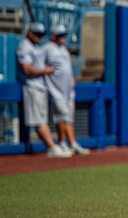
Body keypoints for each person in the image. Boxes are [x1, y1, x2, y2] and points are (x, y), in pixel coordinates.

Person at [15, 22, 68, 157]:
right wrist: (45, 71)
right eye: (37, 34)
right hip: (32, 86)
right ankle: (52, 147)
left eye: (41, 35)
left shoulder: (37, 47)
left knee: (43, 120)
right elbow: (26, 68)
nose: (39, 37)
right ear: (30, 33)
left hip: (41, 87)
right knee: (38, 121)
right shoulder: (24, 46)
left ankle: (53, 146)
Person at [41, 24, 90, 155]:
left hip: (68, 91)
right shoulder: (47, 49)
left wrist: (72, 79)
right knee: (61, 117)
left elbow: (67, 68)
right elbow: (39, 65)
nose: (63, 38)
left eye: (64, 35)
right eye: (60, 35)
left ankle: (72, 143)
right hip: (55, 89)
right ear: (53, 36)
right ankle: (62, 143)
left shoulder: (64, 50)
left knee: (68, 118)